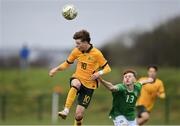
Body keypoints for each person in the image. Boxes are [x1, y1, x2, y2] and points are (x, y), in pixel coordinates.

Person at [49, 29, 111, 125]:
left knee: (78, 115)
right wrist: (55, 69)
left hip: (90, 86)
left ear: (85, 42)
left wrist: (99, 73)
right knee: (76, 83)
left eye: (78, 43)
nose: (76, 46)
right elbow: (66, 64)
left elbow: (108, 68)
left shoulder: (97, 53)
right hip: (77, 78)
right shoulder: (76, 51)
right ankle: (66, 110)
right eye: (76, 43)